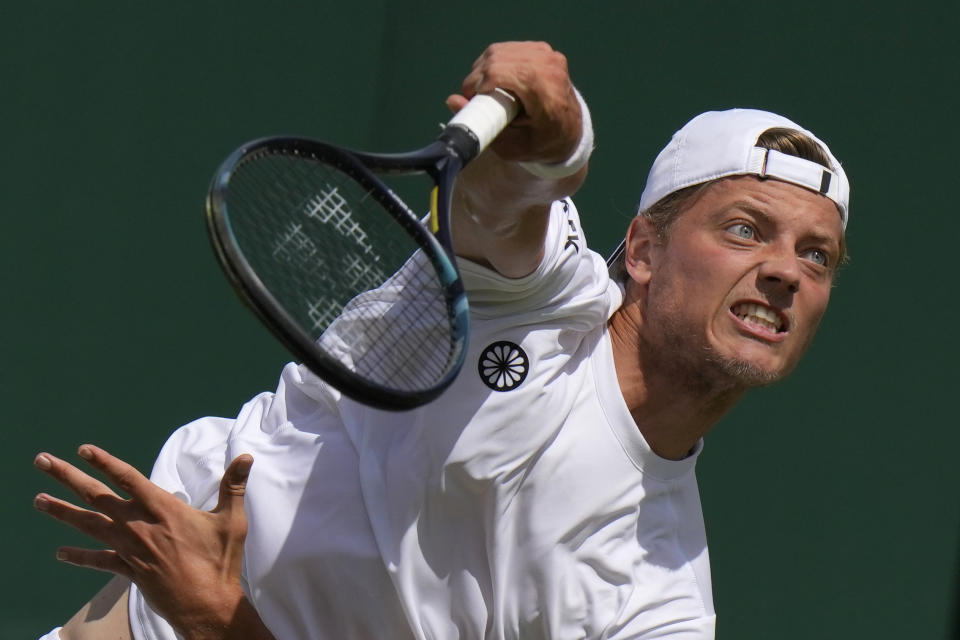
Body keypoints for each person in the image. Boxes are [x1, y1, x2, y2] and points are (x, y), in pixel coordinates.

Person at [34, 41, 849, 640]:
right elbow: (507, 197)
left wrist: (224, 625)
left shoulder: (665, 607)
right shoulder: (542, 295)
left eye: (816, 256)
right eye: (745, 230)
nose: (783, 271)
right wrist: (559, 142)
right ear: (640, 250)